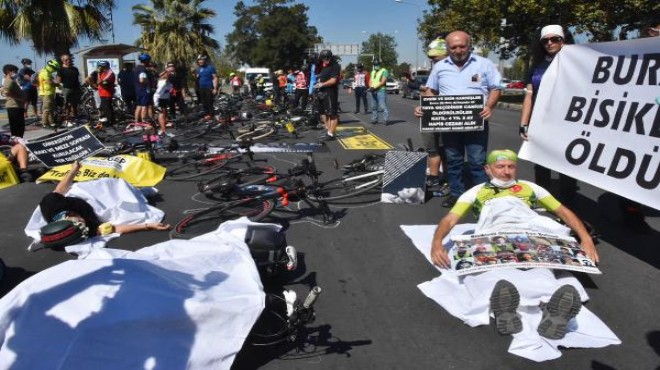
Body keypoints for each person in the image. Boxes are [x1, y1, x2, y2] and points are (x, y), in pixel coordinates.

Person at [429, 149, 598, 339]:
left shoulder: (530, 187)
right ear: (488, 169)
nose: (506, 171)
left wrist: (585, 238)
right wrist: (437, 243)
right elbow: (450, 220)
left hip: (529, 232)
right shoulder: (476, 192)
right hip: (494, 232)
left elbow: (563, 212)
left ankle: (553, 309)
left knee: (539, 267)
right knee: (492, 271)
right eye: (500, 167)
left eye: (511, 167)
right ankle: (505, 309)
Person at [415, 30, 502, 208]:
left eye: (462, 46)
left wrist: (489, 107)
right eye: (453, 47)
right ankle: (456, 195)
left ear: (469, 46)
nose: (458, 50)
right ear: (448, 48)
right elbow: (432, 91)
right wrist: (424, 107)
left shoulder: (484, 64)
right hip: (450, 124)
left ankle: (481, 198)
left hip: (476, 122)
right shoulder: (439, 67)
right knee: (454, 161)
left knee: (477, 162)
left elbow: (495, 88)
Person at [39, 161, 170, 242]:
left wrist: (74, 170)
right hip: (98, 208)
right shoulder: (85, 230)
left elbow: (61, 188)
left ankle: (139, 191)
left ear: (67, 217)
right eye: (83, 225)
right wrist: (147, 226)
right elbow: (116, 228)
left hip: (83, 195)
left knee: (113, 184)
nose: (83, 222)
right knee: (127, 202)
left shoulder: (50, 205)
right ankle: (140, 193)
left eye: (79, 221)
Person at [519, 25, 578, 203]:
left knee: (566, 165)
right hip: (540, 122)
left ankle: (567, 203)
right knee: (541, 163)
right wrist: (524, 123)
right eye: (545, 40)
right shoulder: (537, 67)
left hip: (568, 123)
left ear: (564, 40)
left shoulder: (577, 64)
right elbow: (529, 97)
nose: (549, 43)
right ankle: (543, 198)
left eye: (555, 39)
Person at [419, 37, 449, 191]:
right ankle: (434, 177)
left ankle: (449, 179)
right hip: (431, 116)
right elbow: (430, 92)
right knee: (432, 148)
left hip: (447, 116)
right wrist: (421, 107)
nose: (433, 62)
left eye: (435, 58)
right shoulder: (436, 69)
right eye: (431, 59)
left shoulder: (453, 70)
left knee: (446, 149)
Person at [314, 49, 341, 141]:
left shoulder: (335, 66)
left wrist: (322, 84)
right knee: (322, 112)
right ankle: (328, 129)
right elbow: (317, 73)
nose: (326, 60)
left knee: (332, 114)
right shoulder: (322, 66)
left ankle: (330, 134)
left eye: (327, 58)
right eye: (324, 58)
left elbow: (333, 80)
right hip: (321, 91)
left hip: (330, 92)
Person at [56, 53, 82, 126]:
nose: (68, 61)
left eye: (69, 59)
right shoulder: (60, 69)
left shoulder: (75, 69)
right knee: (67, 105)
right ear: (63, 61)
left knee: (75, 105)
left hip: (76, 88)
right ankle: (67, 119)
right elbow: (58, 81)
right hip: (66, 89)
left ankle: (75, 118)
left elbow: (77, 78)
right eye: (66, 60)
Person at [2, 64, 26, 137]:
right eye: (14, 71)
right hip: (14, 107)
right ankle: (17, 144)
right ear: (8, 71)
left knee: (20, 127)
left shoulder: (12, 80)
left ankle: (19, 142)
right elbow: (6, 92)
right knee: (16, 128)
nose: (16, 73)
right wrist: (18, 98)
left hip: (17, 106)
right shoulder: (8, 81)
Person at [37, 59, 60, 129]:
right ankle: (44, 124)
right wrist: (58, 84)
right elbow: (50, 83)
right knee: (46, 109)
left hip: (49, 93)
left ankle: (52, 123)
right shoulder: (45, 72)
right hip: (46, 93)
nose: (55, 70)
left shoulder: (47, 72)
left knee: (51, 109)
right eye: (54, 68)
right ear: (51, 67)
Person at [153, 65, 175, 138]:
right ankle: (164, 131)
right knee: (161, 114)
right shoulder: (162, 82)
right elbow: (156, 94)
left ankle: (162, 129)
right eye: (170, 73)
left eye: (173, 72)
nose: (172, 74)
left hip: (164, 99)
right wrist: (156, 104)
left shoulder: (170, 82)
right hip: (158, 99)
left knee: (164, 113)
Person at [195, 55, 218, 119]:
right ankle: (206, 114)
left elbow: (215, 78)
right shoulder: (198, 69)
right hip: (201, 88)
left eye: (201, 60)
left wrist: (215, 88)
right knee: (203, 102)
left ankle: (211, 115)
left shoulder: (210, 68)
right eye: (199, 60)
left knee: (209, 102)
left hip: (209, 87)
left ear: (204, 61)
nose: (200, 61)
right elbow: (197, 78)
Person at [134, 53, 154, 123]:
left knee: (138, 106)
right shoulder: (143, 69)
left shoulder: (136, 68)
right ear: (146, 61)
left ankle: (137, 122)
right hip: (144, 90)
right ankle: (144, 122)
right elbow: (142, 80)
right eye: (148, 60)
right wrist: (148, 82)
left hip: (138, 90)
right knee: (144, 106)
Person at [96, 61, 116, 128]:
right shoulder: (104, 73)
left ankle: (110, 122)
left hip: (106, 94)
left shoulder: (109, 74)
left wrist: (98, 74)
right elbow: (99, 81)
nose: (99, 68)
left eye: (100, 67)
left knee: (107, 108)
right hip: (103, 94)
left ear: (103, 67)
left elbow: (103, 83)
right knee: (103, 108)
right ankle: (109, 120)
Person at [368, 59, 389, 125]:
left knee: (382, 106)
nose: (376, 65)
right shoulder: (373, 72)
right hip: (373, 90)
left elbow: (383, 82)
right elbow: (370, 81)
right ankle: (374, 119)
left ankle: (385, 120)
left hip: (381, 90)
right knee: (373, 106)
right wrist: (371, 87)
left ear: (380, 64)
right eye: (375, 64)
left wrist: (374, 87)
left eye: (377, 64)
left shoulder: (384, 71)